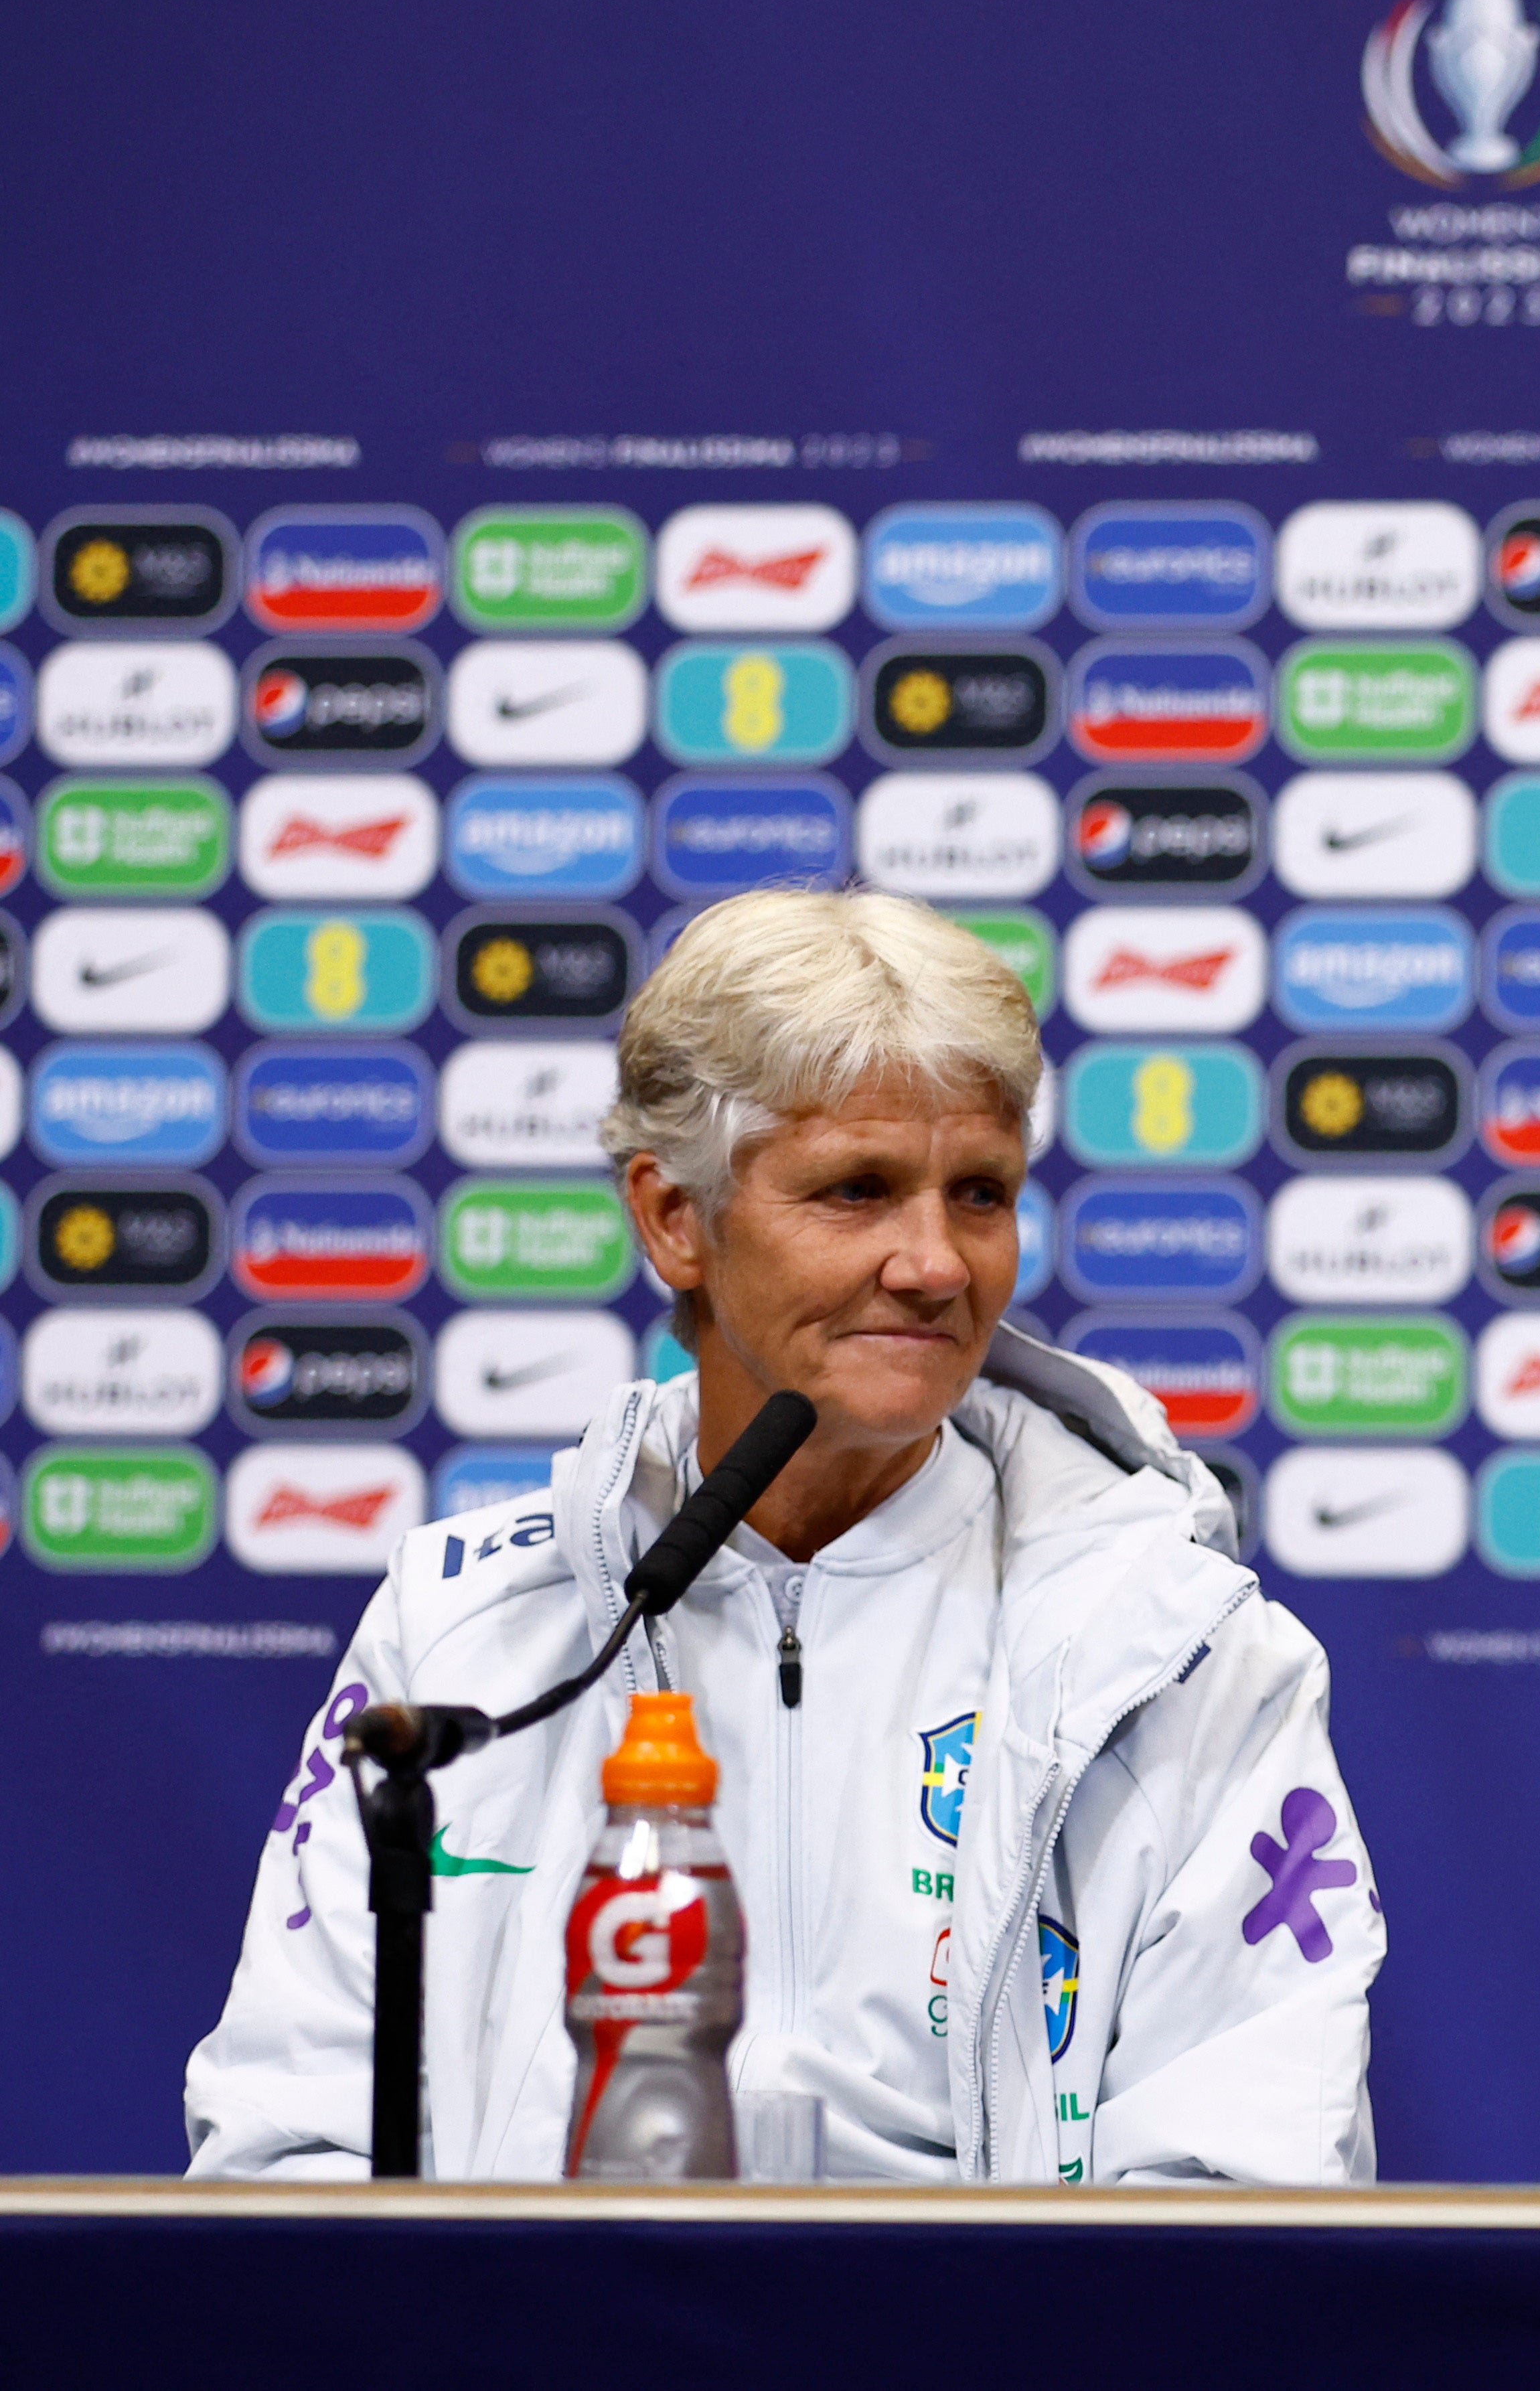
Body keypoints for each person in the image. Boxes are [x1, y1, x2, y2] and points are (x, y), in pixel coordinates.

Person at [188, 889, 1382, 2183]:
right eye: (857, 1191)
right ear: (674, 1219)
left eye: (978, 1192)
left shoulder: (1180, 1651)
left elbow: (1252, 2199)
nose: (934, 1262)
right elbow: (286, 2145)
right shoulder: (465, 1636)